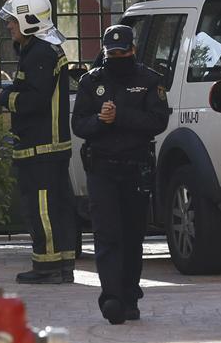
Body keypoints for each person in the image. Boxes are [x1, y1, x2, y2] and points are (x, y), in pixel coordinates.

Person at [72, 25, 168, 324]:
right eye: (111, 53)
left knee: (132, 236)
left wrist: (120, 117)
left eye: (122, 52)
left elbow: (157, 120)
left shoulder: (149, 81)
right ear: (104, 52)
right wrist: (101, 121)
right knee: (107, 235)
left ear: (133, 50)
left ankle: (129, 295)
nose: (117, 57)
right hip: (102, 169)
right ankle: (111, 297)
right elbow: (79, 124)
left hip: (135, 169)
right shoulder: (92, 82)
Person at [0, 0, 76, 284]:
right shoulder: (43, 49)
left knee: (42, 208)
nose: (9, 26)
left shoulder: (39, 53)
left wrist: (3, 98)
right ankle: (61, 265)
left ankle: (47, 267)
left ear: (28, 21)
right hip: (49, 145)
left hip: (40, 147)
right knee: (57, 206)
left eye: (13, 21)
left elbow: (34, 101)